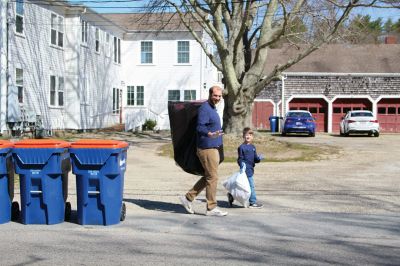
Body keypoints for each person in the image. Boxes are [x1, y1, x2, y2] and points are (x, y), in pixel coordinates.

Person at [179, 86, 228, 216]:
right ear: (210, 94)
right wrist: (209, 134)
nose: (217, 98)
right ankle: (211, 208)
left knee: (209, 176)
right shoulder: (205, 108)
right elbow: (200, 126)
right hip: (206, 148)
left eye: (219, 96)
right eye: (215, 95)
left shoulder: (213, 109)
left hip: (213, 147)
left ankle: (188, 198)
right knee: (213, 177)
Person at [228, 127, 264, 208]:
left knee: (242, 187)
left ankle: (231, 196)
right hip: (244, 171)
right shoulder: (241, 147)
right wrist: (241, 165)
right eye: (246, 134)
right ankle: (253, 202)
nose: (248, 136)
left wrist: (259, 158)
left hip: (251, 170)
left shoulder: (253, 147)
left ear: (252, 137)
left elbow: (255, 159)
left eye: (250, 135)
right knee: (251, 186)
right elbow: (240, 159)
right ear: (243, 136)